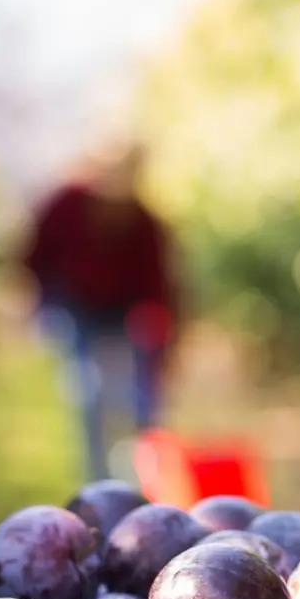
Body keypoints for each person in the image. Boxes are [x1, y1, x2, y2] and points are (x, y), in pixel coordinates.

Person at [21, 140, 180, 483]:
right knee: (90, 395)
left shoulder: (144, 221)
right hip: (76, 309)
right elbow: (33, 256)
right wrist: (43, 302)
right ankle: (99, 484)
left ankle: (148, 481)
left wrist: (163, 350)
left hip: (122, 314)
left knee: (141, 400)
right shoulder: (66, 204)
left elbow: (160, 288)